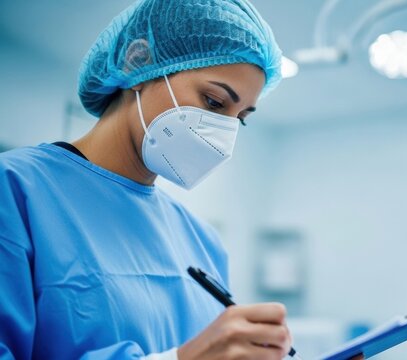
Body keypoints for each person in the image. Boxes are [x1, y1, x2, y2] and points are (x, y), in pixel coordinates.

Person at [0, 1, 365, 359]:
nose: (224, 133)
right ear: (138, 60)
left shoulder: (202, 241)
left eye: (241, 118)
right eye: (214, 101)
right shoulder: (16, 190)